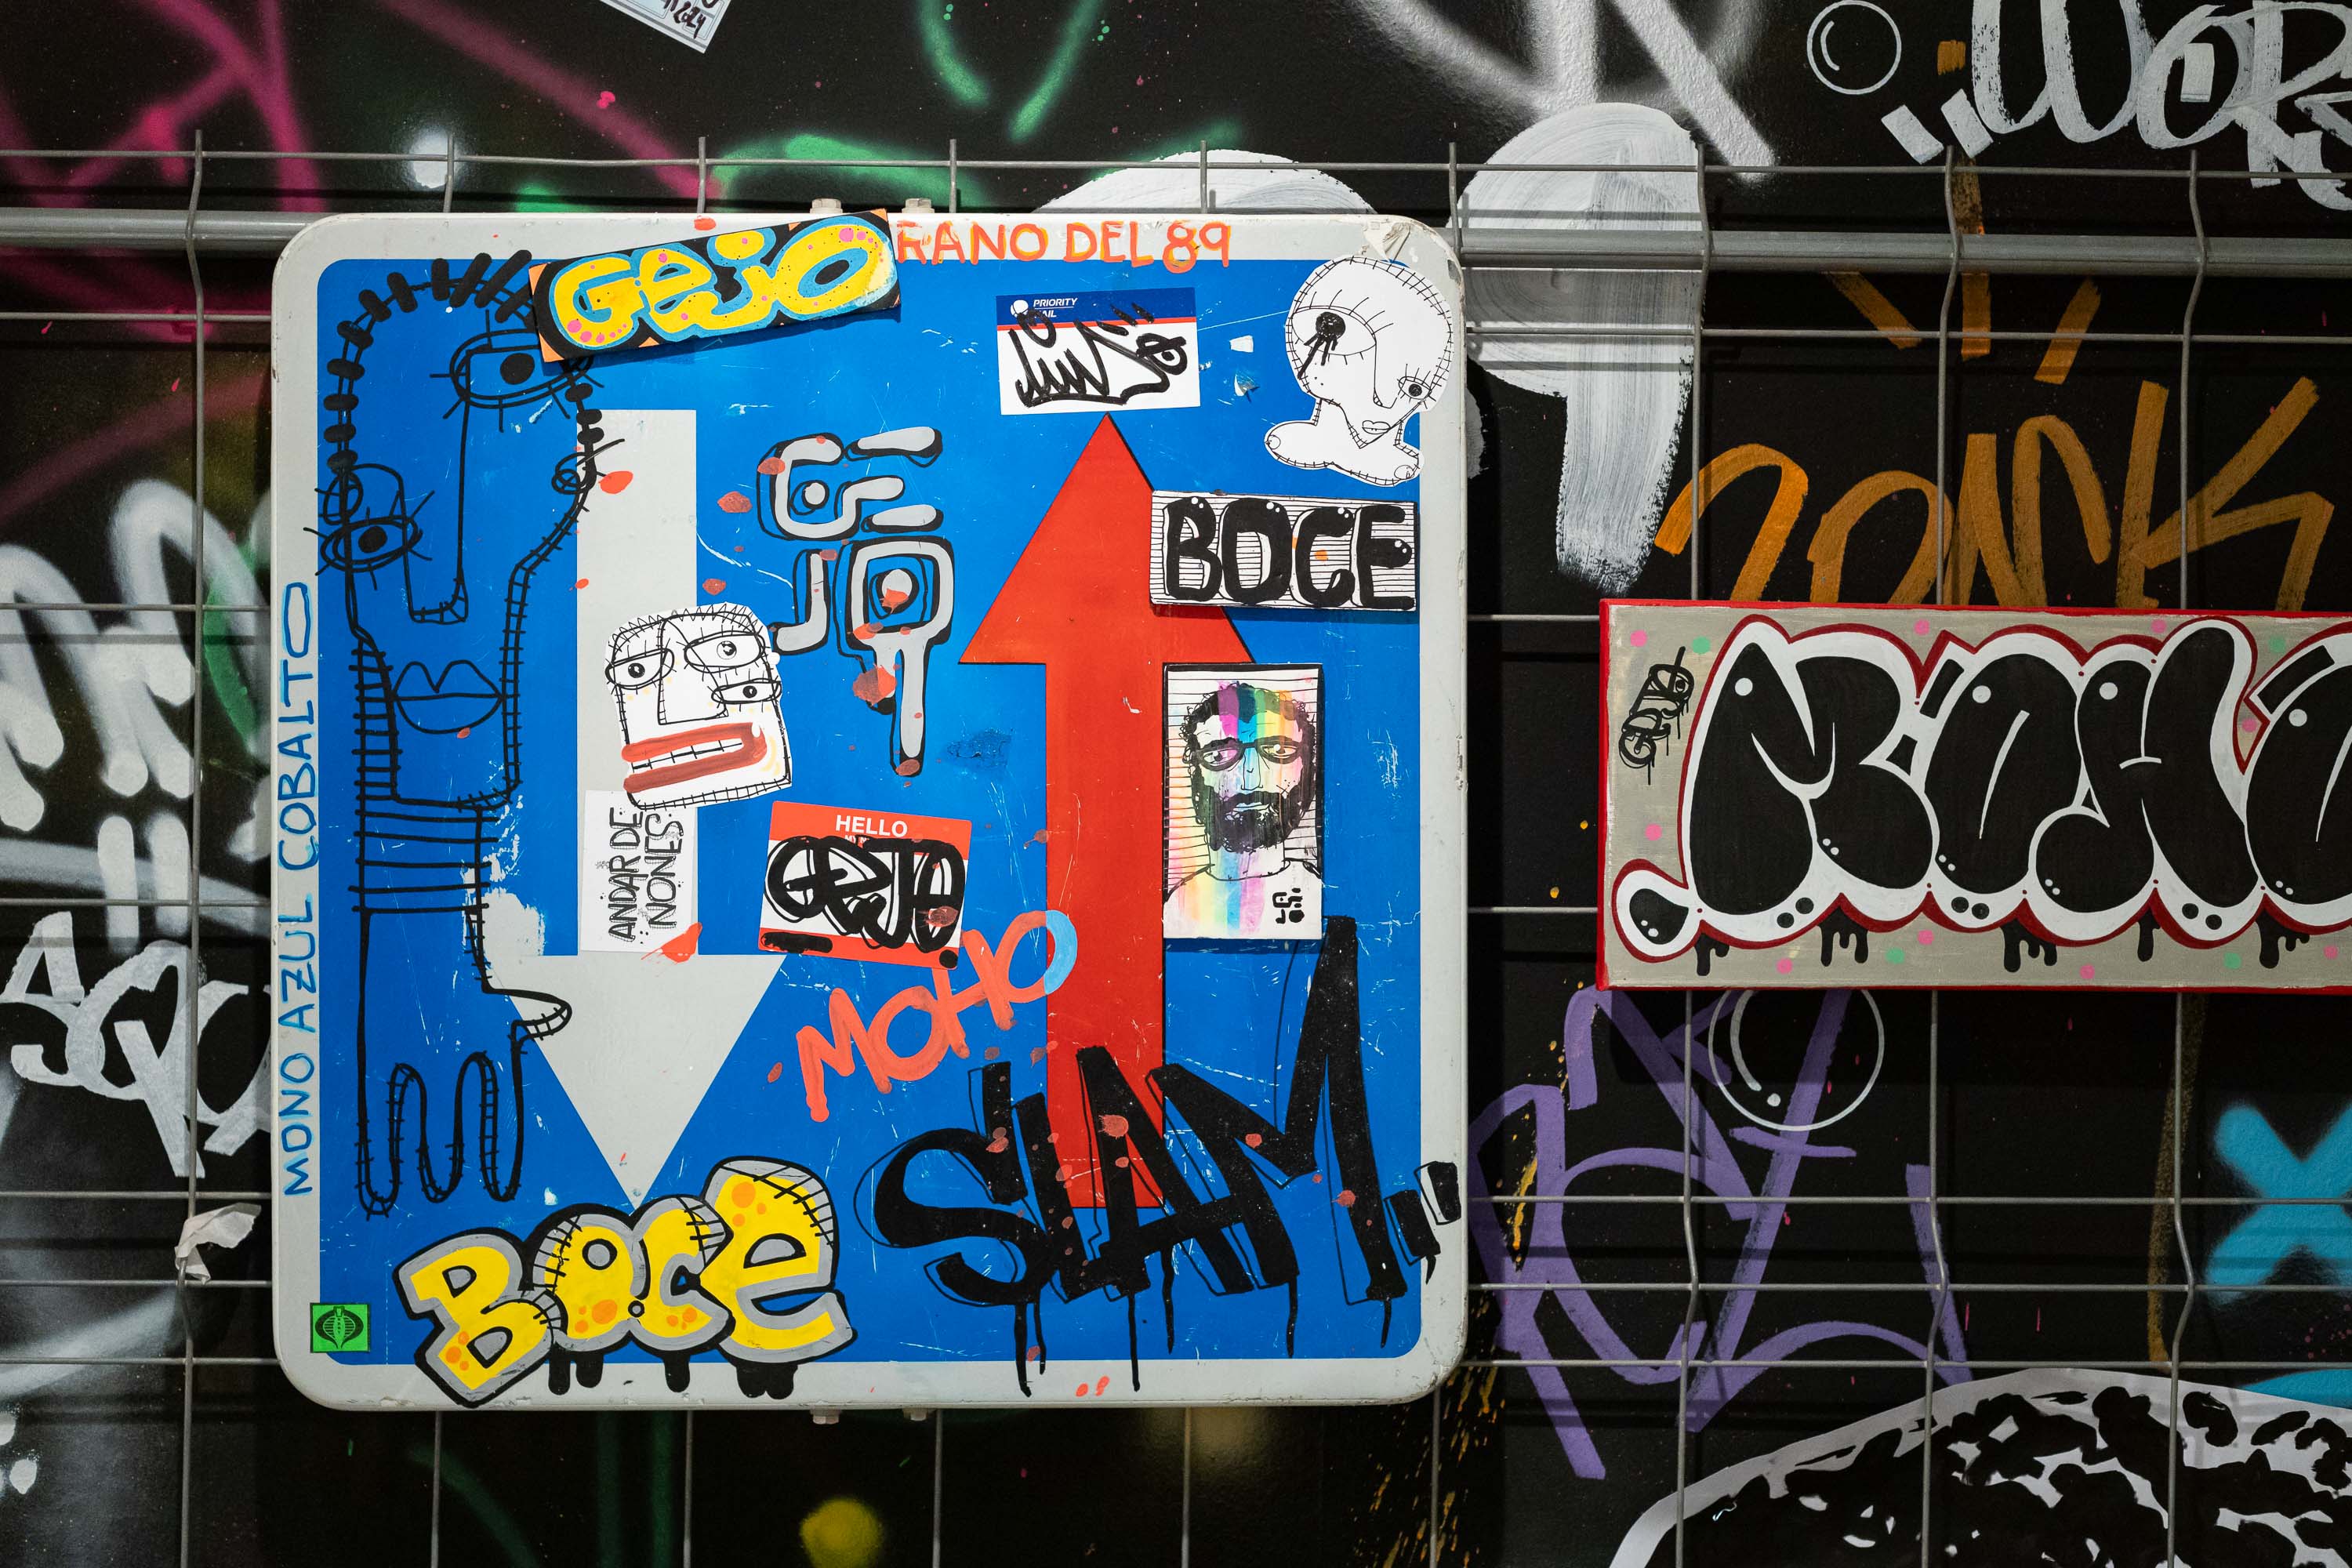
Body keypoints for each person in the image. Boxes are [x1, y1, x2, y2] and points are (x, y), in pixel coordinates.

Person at [1166, 681, 1322, 938]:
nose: (1251, 779)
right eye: (1219, 756)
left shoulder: (1320, 896)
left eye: (1278, 750)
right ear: (1195, 779)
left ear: (1308, 773)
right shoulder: (1174, 910)